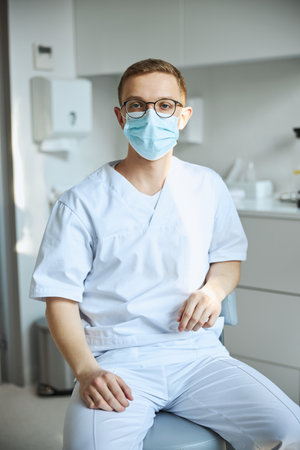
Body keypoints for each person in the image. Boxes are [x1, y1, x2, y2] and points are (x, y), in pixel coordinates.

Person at [30, 58, 300, 450]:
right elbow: (59, 299)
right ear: (121, 115)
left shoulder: (207, 186)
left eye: (165, 105)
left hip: (198, 355)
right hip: (117, 360)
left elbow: (227, 260)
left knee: (292, 430)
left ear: (183, 115)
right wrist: (86, 370)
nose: (151, 115)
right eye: (137, 104)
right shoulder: (80, 203)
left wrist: (213, 293)